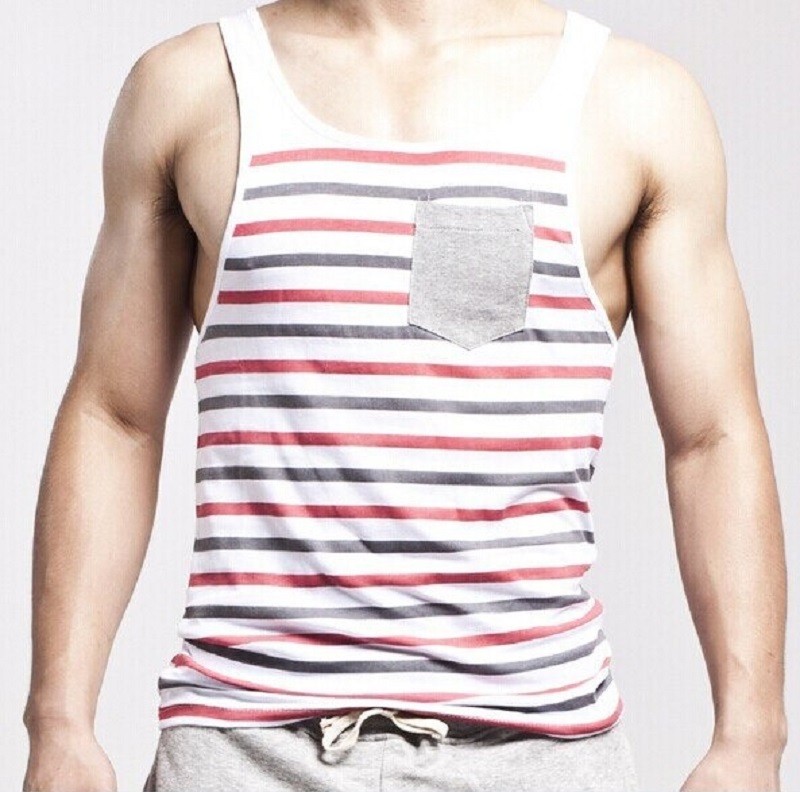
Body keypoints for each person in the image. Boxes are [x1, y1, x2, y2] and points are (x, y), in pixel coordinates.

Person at [22, 1, 788, 790]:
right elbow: (114, 415)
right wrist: (59, 723)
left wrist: (750, 739)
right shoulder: (194, 86)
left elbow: (712, 436)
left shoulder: (632, 101)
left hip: (537, 751)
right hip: (241, 748)